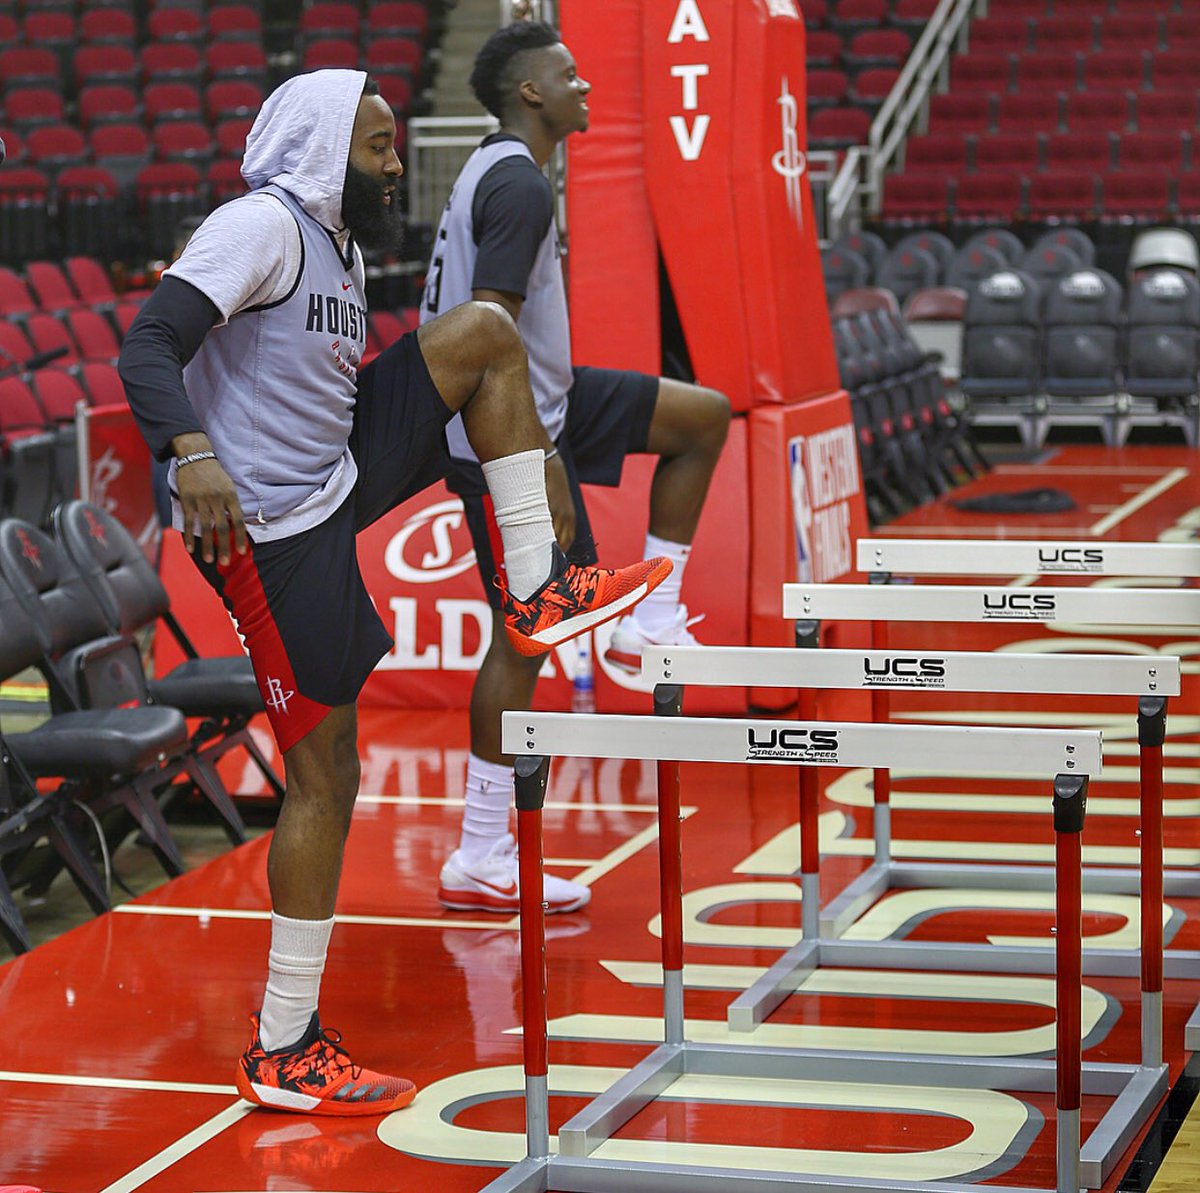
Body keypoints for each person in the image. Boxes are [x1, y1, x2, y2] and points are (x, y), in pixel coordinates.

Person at [117, 69, 670, 1117]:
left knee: (483, 339)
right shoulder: (260, 227)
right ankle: (284, 1043)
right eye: (377, 145)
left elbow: (323, 382)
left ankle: (539, 584)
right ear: (326, 147)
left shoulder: (340, 244)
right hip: (269, 528)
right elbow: (149, 342)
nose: (390, 163)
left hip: (330, 476)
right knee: (328, 774)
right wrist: (189, 450)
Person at [425, 23, 730, 916]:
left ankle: (654, 619)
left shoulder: (501, 167)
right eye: (568, 73)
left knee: (701, 418)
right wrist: (537, 459)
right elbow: (488, 327)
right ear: (531, 92)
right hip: (506, 430)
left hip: (549, 397)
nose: (584, 83)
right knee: (526, 643)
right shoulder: (517, 180)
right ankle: (482, 852)